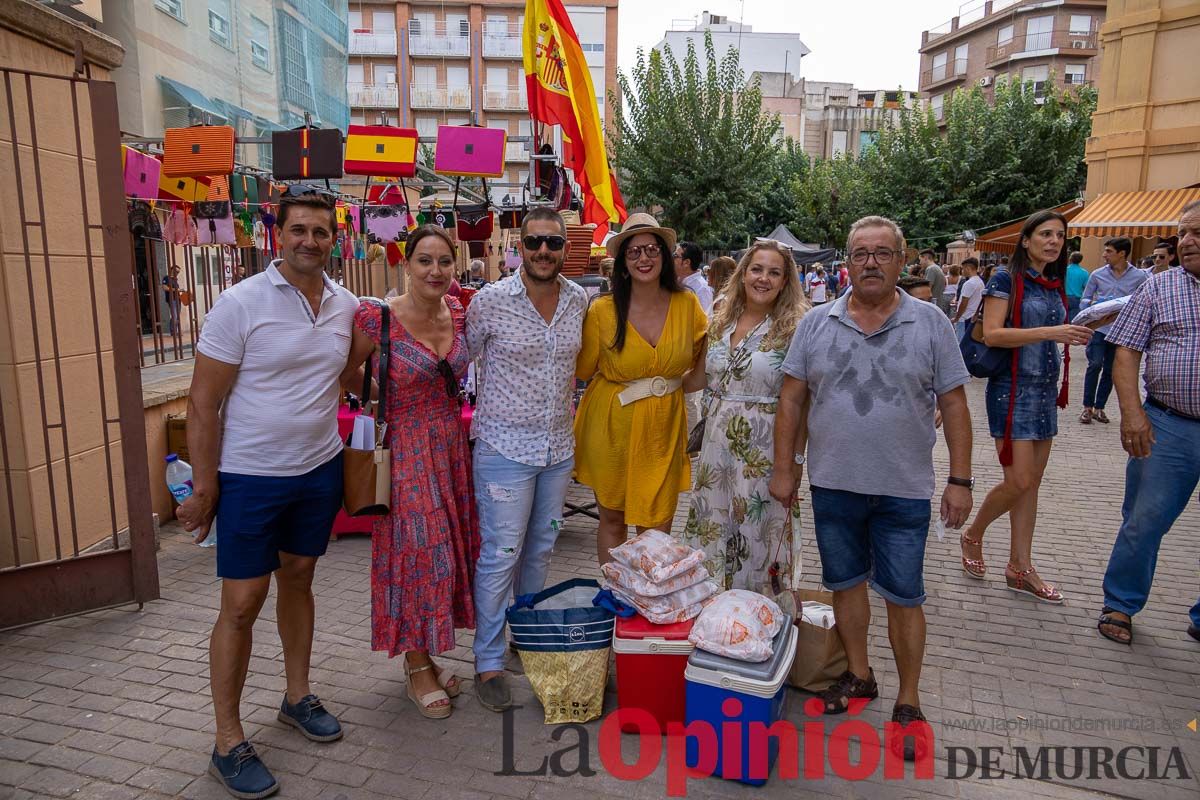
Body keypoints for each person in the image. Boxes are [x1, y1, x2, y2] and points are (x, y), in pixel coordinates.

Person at [769, 215, 973, 761]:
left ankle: (909, 701)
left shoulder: (931, 323)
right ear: (848, 261)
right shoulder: (817, 323)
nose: (871, 263)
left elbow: (954, 403)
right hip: (833, 484)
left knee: (904, 596)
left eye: (883, 254)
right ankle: (860, 676)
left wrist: (960, 479)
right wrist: (784, 466)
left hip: (904, 489)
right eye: (861, 254)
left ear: (902, 261)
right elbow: (791, 398)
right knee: (846, 587)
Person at [178, 191, 357, 799]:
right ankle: (227, 741)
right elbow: (202, 404)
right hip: (251, 475)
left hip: (318, 469)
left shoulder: (345, 305)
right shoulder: (239, 303)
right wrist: (205, 488)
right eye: (299, 229)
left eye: (322, 232)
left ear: (336, 238)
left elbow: (349, 375)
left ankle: (296, 697)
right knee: (242, 602)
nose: (310, 240)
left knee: (300, 578)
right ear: (275, 234)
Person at [341, 225, 480, 720]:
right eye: (425, 261)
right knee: (423, 553)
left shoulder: (458, 312)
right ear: (406, 265)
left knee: (449, 551)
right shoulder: (376, 317)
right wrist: (382, 394)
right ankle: (417, 664)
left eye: (445, 261)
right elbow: (344, 373)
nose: (436, 271)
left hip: (449, 448)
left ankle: (427, 653)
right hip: (404, 450)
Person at [465, 208, 587, 711]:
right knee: (501, 554)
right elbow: (461, 360)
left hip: (557, 449)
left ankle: (525, 637)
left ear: (564, 248)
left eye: (553, 244)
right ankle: (488, 661)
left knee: (539, 551)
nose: (543, 252)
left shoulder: (580, 300)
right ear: (520, 245)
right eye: (534, 242)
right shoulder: (490, 302)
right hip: (503, 450)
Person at [959, 210, 1093, 603]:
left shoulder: (1052, 282)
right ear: (1026, 239)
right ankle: (973, 534)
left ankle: (1021, 565)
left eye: (1059, 236)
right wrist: (1053, 332)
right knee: (1017, 481)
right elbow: (994, 333)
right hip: (1011, 389)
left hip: (1043, 389)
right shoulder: (1005, 279)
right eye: (1045, 234)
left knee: (1031, 485)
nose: (1053, 241)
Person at [575, 213, 707, 564]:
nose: (643, 258)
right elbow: (583, 369)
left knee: (656, 525)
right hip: (611, 425)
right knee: (613, 517)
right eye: (633, 252)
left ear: (665, 256)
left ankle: (649, 603)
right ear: (622, 262)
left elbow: (706, 362)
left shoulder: (688, 305)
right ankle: (614, 598)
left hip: (663, 428)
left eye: (651, 249)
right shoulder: (602, 310)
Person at [1096, 201, 1200, 646]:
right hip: (1169, 423)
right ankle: (1120, 602)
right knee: (1144, 518)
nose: (1188, 241)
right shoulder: (1159, 288)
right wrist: (1132, 412)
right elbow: (1126, 351)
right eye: (1184, 233)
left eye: (1197, 232)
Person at [682, 240, 809, 591]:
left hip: (765, 451)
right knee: (715, 529)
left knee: (758, 536)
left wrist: (793, 463)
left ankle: (756, 620)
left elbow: (802, 402)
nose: (763, 279)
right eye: (756, 269)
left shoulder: (796, 328)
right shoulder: (721, 321)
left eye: (774, 272)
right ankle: (713, 619)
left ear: (785, 281)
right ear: (743, 274)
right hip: (716, 449)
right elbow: (695, 377)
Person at [1079, 237, 1148, 425]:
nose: (1104, 255)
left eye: (1109, 251)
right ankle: (1087, 407)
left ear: (1122, 254)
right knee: (1094, 365)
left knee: (1110, 370)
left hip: (1121, 331)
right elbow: (1084, 299)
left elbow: (1144, 301)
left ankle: (1099, 408)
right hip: (1100, 329)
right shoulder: (1097, 274)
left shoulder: (1140, 277)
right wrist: (1094, 306)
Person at [674, 240, 714, 313]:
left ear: (686, 262)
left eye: (675, 255)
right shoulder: (675, 281)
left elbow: (706, 320)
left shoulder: (702, 289)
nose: (672, 258)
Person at [951, 257, 985, 339]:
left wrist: (956, 318)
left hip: (965, 318)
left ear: (968, 268)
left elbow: (964, 302)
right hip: (973, 316)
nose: (961, 271)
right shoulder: (980, 282)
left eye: (962, 269)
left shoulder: (969, 283)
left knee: (961, 342)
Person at [919, 249, 948, 315]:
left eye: (920, 260)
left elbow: (927, 289)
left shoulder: (931, 269)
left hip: (932, 306)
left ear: (926, 258)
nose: (920, 263)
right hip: (937, 304)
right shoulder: (937, 268)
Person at [1064, 251, 1089, 323]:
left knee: (1062, 318)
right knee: (1072, 320)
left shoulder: (1064, 270)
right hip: (1076, 299)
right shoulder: (1084, 272)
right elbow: (1086, 287)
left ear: (1070, 259)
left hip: (1064, 296)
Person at [162, 264, 183, 336]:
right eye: (176, 271)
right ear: (172, 270)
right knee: (175, 315)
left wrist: (180, 291)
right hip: (171, 299)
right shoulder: (166, 278)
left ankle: (174, 331)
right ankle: (173, 332)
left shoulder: (175, 279)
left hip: (178, 299)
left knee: (176, 316)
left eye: (178, 272)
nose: (177, 273)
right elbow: (165, 288)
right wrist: (175, 289)